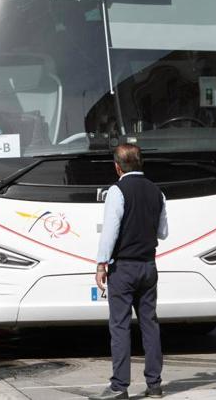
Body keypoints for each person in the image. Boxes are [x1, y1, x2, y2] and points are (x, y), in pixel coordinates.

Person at [89, 145, 168, 400]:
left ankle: (119, 386)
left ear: (117, 166)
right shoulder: (157, 192)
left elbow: (110, 232)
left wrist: (101, 264)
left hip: (123, 268)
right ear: (141, 163)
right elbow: (163, 233)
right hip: (149, 266)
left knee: (120, 326)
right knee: (150, 324)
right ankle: (154, 384)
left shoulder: (117, 190)